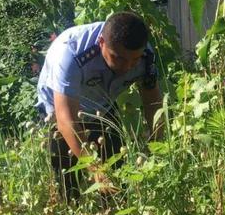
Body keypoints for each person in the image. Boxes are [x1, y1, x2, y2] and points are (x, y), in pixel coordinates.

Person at [35, 12, 163, 201]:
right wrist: (95, 169)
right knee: (68, 178)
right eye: (118, 58)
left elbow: (152, 102)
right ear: (101, 42)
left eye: (134, 60)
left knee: (116, 172)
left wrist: (156, 147)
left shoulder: (145, 55)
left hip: (102, 104)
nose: (127, 67)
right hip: (58, 109)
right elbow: (66, 119)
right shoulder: (71, 54)